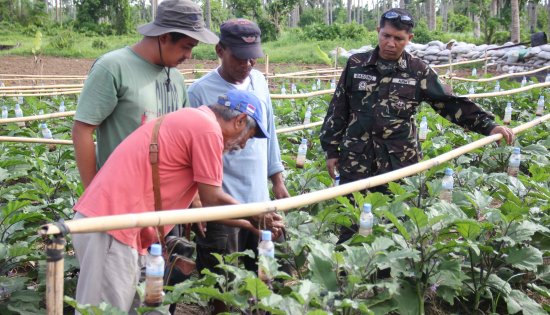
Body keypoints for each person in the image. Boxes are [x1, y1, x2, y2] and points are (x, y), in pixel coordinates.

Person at [320, 8, 514, 241]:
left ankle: (390, 273)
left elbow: (449, 103)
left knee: (397, 223)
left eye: (398, 38)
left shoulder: (418, 70)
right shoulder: (356, 64)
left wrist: (489, 126)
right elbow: (338, 108)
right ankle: (348, 271)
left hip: (399, 162)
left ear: (409, 39)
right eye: (386, 35)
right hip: (355, 159)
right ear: (378, 31)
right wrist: (331, 149)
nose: (390, 43)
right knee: (352, 220)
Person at [72, 90, 268, 313]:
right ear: (240, 120)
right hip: (110, 227)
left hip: (122, 228)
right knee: (102, 310)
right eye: (248, 136)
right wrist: (255, 214)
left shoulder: (195, 119)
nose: (242, 145)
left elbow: (205, 207)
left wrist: (250, 225)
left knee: (137, 308)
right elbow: (212, 199)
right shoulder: (207, 129)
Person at [72, 0, 218, 190]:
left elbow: (184, 137)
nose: (189, 55)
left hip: (165, 201)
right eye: (186, 46)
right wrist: (92, 192)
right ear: (164, 37)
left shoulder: (175, 77)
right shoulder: (112, 67)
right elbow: (82, 130)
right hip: (121, 196)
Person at [187, 18, 288, 289]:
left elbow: (271, 132)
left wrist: (277, 179)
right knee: (222, 280)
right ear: (220, 50)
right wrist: (196, 197)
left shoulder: (259, 81)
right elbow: (189, 151)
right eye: (240, 58)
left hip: (259, 197)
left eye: (252, 59)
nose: (247, 65)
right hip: (222, 204)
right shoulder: (199, 91)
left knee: (264, 273)